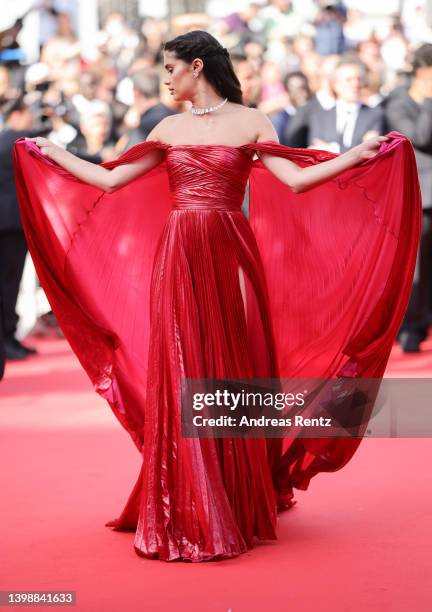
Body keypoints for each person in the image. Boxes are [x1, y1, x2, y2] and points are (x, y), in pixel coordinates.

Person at [14, 30, 421, 562]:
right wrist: (51, 154)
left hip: (230, 252)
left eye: (169, 67)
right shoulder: (166, 126)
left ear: (197, 67)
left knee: (226, 365)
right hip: (179, 252)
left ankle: (228, 493)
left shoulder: (251, 121)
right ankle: (187, 498)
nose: (164, 77)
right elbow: (108, 181)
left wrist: (359, 155)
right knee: (182, 364)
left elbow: (297, 181)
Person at [385, 43, 432, 352]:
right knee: (417, 265)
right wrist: (429, 99)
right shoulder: (398, 101)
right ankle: (412, 327)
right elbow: (420, 135)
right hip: (420, 195)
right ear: (423, 71)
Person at [0, 97, 38, 361]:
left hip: (10, 221)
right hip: (11, 223)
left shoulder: (7, 139)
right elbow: (48, 153)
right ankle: (6, 339)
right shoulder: (16, 140)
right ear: (18, 114)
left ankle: (9, 338)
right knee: (8, 282)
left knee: (9, 282)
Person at [289, 56, 384, 153]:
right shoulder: (320, 116)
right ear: (335, 84)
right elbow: (315, 152)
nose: (355, 84)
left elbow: (371, 152)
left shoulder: (375, 114)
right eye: (348, 79)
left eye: (359, 79)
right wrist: (359, 147)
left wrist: (333, 149)